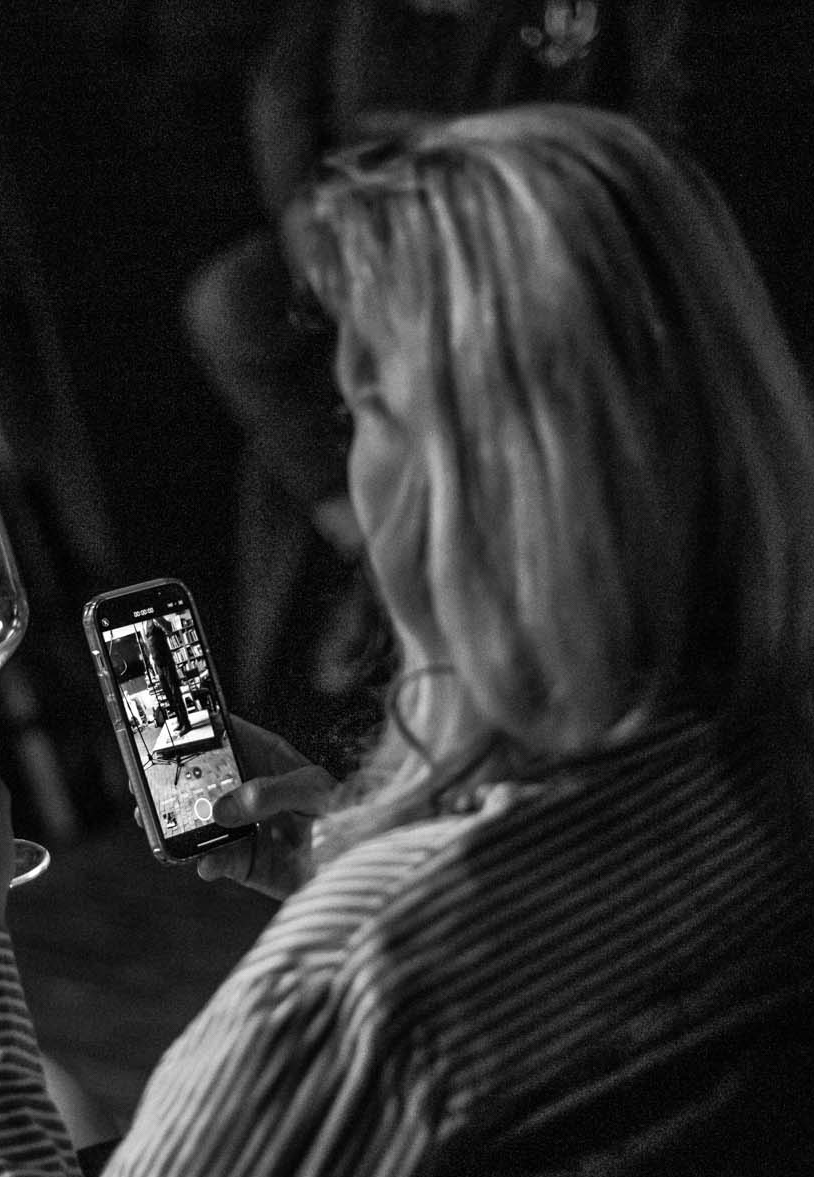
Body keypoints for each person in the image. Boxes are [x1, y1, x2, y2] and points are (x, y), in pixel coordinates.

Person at [0, 105, 814, 1177]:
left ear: (482, 483)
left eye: (360, 415)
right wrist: (345, 849)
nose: (344, 465)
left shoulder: (366, 971)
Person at [183, 0, 688, 726]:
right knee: (232, 305)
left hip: (509, 232)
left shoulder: (566, 28)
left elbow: (620, 137)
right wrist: (314, 211)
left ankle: (442, 591)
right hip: (370, 231)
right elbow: (290, 109)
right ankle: (368, 553)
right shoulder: (337, 33)